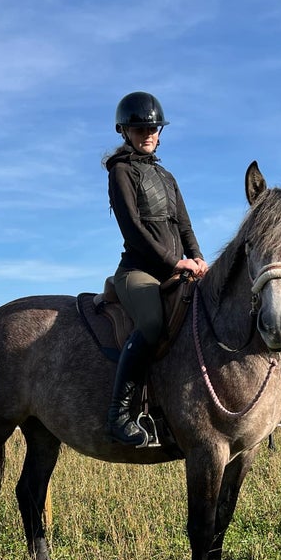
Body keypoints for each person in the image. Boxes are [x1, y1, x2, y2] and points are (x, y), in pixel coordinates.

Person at [103, 91, 208, 446]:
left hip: (178, 270)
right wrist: (173, 261)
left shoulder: (167, 177)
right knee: (151, 324)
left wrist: (198, 259)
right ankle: (119, 415)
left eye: (153, 128)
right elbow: (132, 229)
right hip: (139, 271)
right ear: (125, 131)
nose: (148, 134)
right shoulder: (120, 171)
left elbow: (185, 226)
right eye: (140, 128)